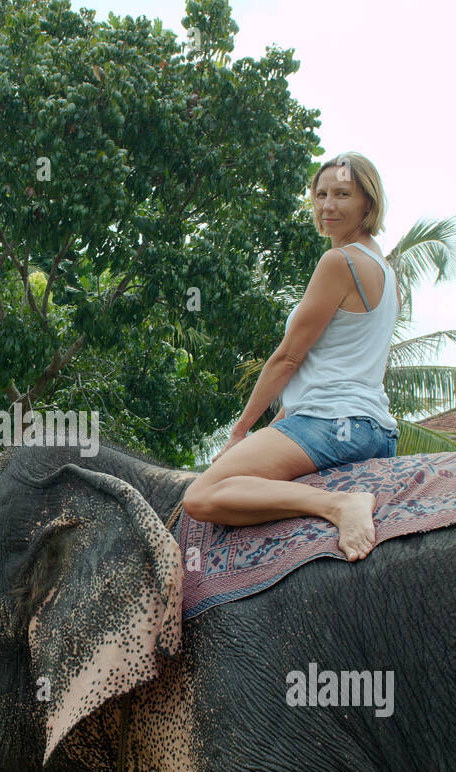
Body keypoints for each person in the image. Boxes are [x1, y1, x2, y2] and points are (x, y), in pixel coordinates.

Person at [182, 152, 401, 562]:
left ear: (367, 204)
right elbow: (338, 367)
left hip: (334, 422)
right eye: (320, 195)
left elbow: (288, 358)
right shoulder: (387, 274)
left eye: (342, 194)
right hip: (376, 431)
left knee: (203, 495)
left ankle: (339, 505)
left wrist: (239, 432)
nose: (327, 206)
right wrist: (274, 426)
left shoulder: (340, 261)